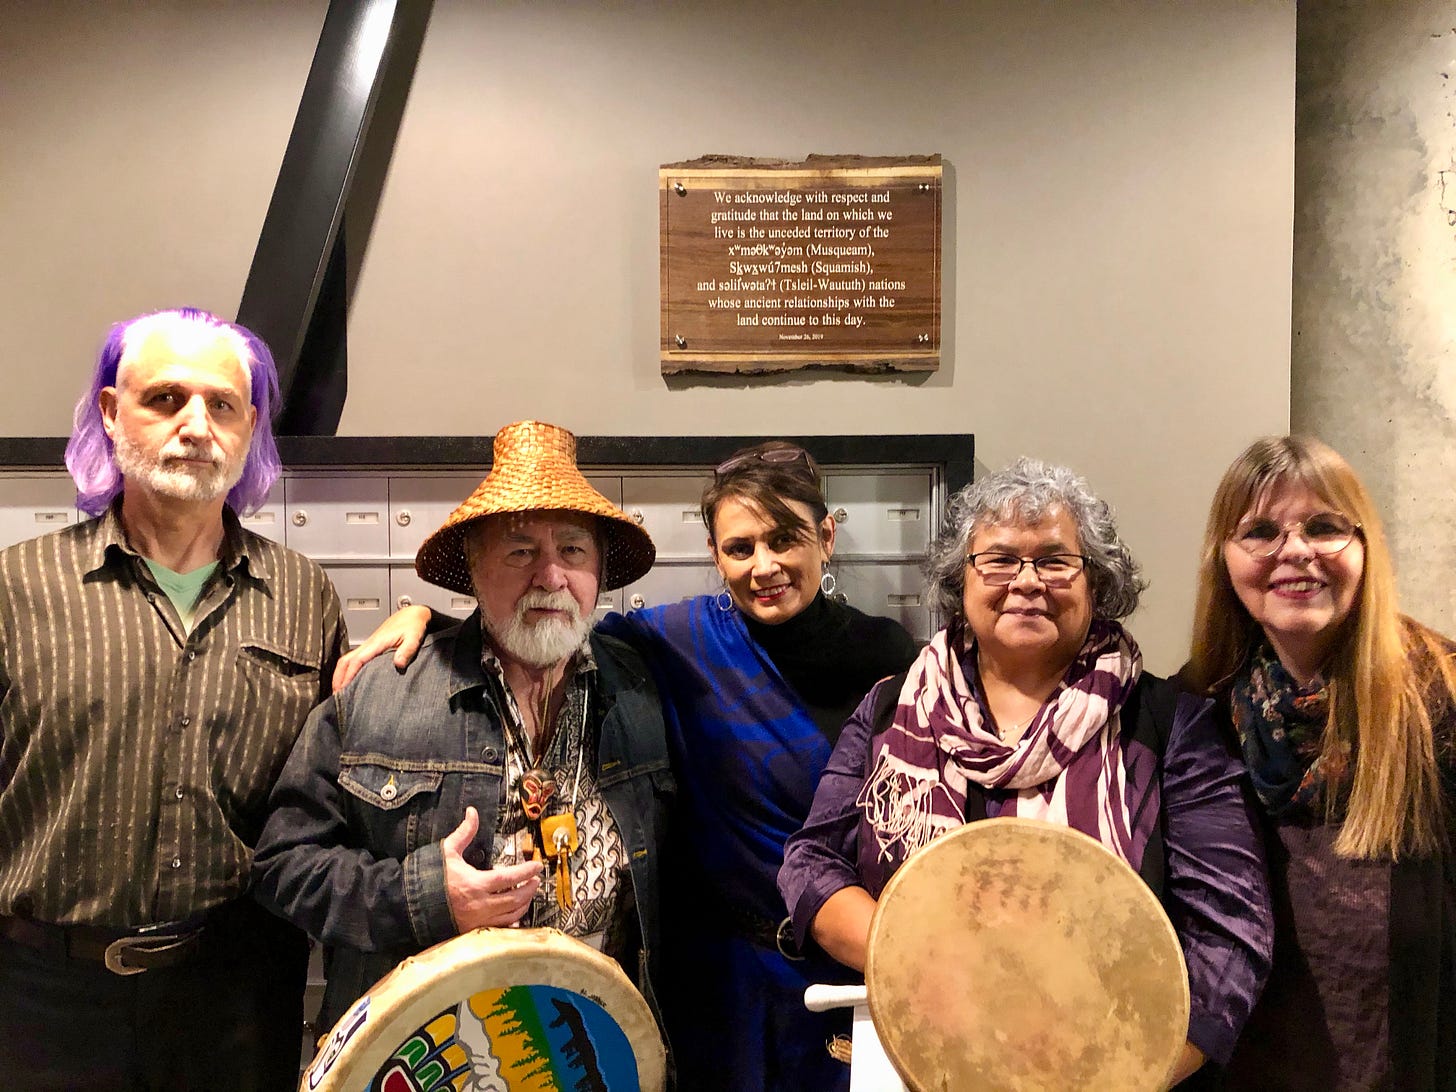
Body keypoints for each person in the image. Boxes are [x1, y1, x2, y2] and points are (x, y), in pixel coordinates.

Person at [336, 440, 920, 1090]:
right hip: (719, 980)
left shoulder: (888, 654)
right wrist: (428, 621)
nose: (765, 566)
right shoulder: (681, 638)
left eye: (785, 539)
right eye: (740, 547)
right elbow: (540, 630)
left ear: (826, 537)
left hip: (840, 963)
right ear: (715, 554)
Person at [778, 457, 1273, 1086]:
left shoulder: (1167, 724)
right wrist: (924, 958)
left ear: (1098, 583)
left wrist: (1132, 1073)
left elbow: (1231, 925)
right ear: (961, 580)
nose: (1027, 581)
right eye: (1000, 560)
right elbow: (811, 863)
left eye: (1056, 561)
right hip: (919, 1059)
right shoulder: (889, 708)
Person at [0, 307, 347, 1090]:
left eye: (222, 405)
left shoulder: (303, 596)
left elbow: (331, 792)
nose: (196, 426)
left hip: (236, 995)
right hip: (42, 1000)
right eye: (165, 399)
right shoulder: (16, 588)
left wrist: (424, 620)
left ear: (250, 426)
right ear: (111, 411)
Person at [251, 420, 674, 1038]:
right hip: (430, 1052)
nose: (551, 576)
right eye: (521, 551)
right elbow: (283, 864)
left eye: (573, 551)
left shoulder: (645, 691)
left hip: (596, 1044)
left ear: (599, 572)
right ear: (475, 569)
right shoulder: (380, 691)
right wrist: (421, 897)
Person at [1181, 435, 1456, 1090]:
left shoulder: (1441, 697)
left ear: (1364, 548)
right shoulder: (1193, 712)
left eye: (1325, 527)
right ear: (1224, 559)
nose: (1296, 551)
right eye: (1260, 532)